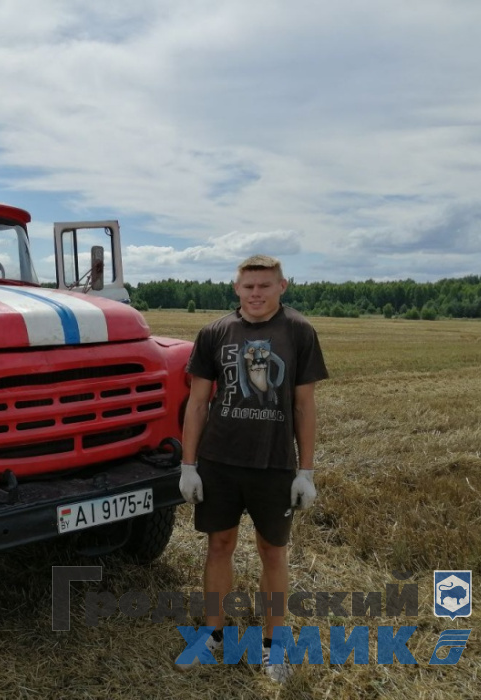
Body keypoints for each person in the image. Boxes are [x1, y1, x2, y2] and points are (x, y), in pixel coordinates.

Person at [177, 254, 328, 682]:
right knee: (219, 546)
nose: (256, 294)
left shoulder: (298, 332)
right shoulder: (214, 332)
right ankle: (212, 636)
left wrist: (307, 471)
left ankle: (274, 645)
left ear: (283, 286)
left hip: (274, 465)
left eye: (264, 285)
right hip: (219, 463)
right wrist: (189, 465)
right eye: (248, 286)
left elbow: (304, 405)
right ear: (236, 289)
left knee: (272, 552)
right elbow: (197, 403)